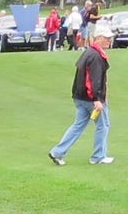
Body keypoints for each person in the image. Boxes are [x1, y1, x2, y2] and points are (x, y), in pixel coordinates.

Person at [47, 24, 113, 166]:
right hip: (91, 99)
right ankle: (98, 156)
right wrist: (97, 99)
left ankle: (57, 152)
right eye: (107, 38)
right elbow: (94, 80)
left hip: (80, 98)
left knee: (78, 125)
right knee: (103, 125)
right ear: (99, 38)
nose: (109, 40)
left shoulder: (89, 52)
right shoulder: (95, 56)